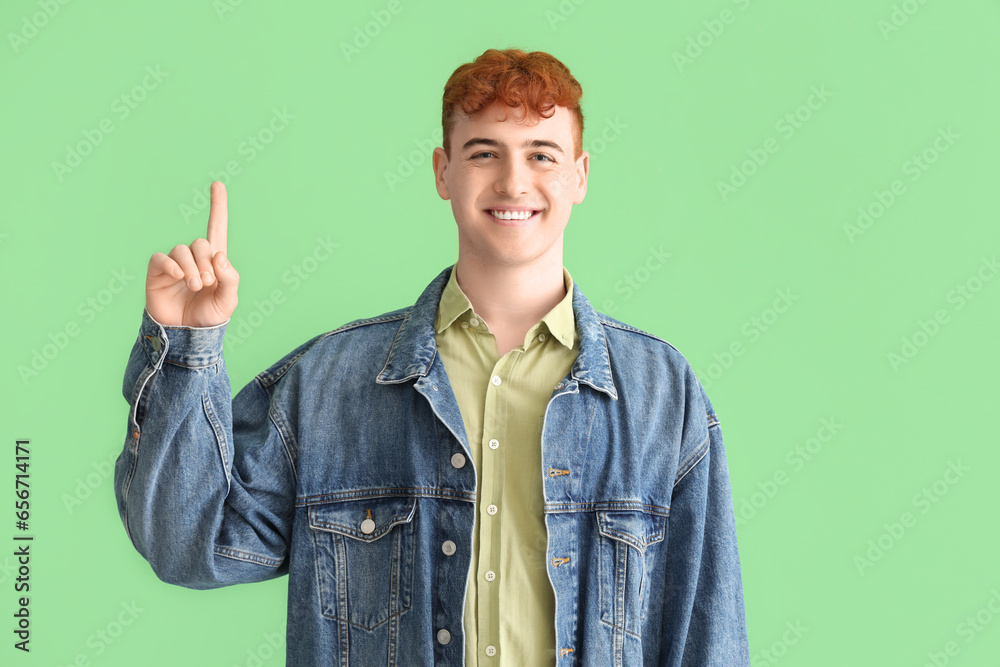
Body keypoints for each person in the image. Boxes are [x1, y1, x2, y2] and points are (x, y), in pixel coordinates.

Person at [114, 48, 750, 666]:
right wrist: (189, 346)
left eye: (541, 154)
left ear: (579, 175)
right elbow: (189, 547)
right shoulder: (331, 385)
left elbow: (708, 638)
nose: (513, 181)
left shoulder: (662, 392)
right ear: (443, 171)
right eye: (484, 153)